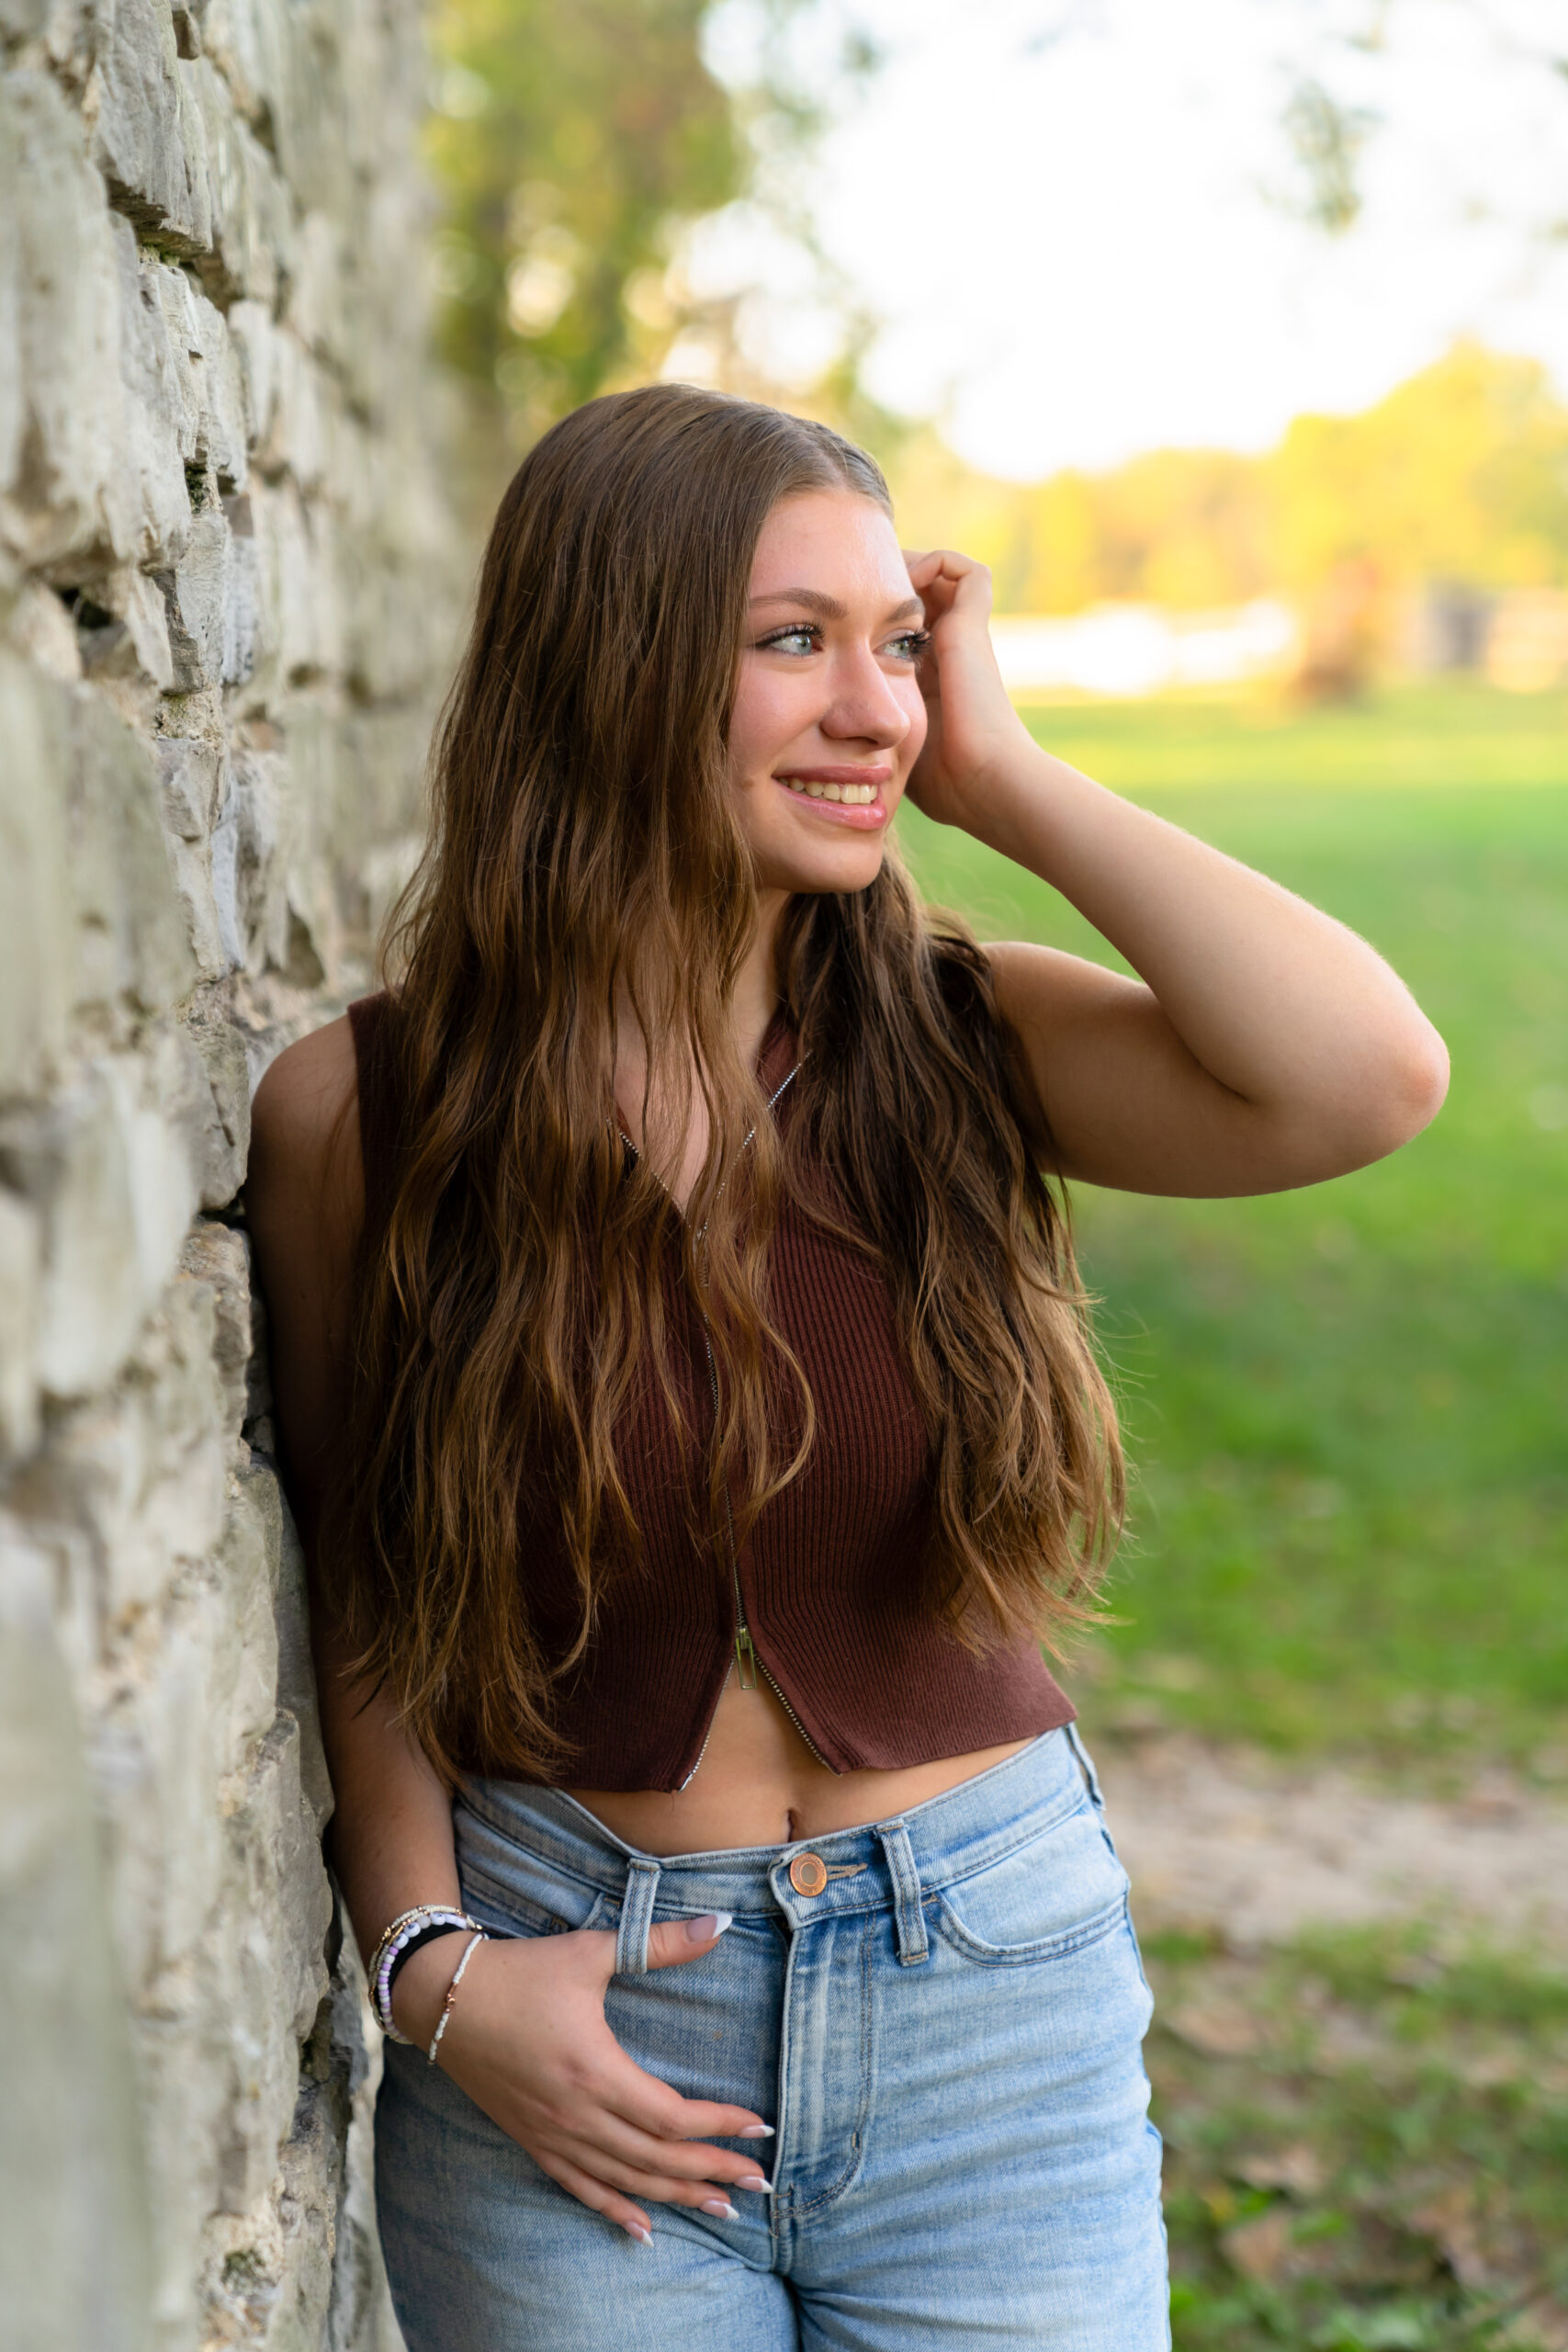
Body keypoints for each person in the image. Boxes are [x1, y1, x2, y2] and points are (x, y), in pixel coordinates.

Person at [246, 383, 1447, 2351]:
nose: (874, 705)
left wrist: (1011, 777)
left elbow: (1362, 1075)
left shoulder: (960, 1039)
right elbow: (372, 1585)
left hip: (991, 2007)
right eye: (792, 641)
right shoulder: (366, 1117)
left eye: (896, 642)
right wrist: (431, 1963)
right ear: (611, 667)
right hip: (580, 2033)